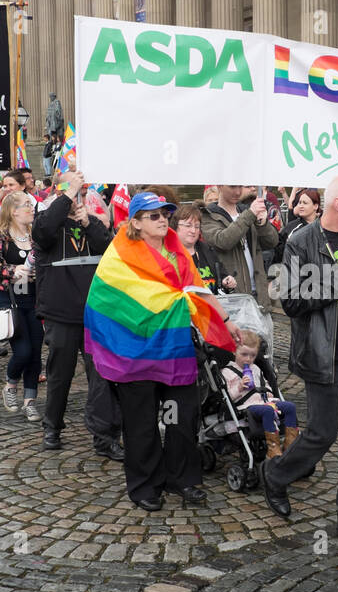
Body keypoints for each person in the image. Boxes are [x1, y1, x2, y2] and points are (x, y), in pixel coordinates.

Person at [86, 191, 238, 509]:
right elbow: (109, 301)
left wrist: (226, 321)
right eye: (153, 215)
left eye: (164, 214)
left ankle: (182, 479)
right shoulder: (119, 254)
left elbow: (195, 288)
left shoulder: (175, 248)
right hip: (135, 352)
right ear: (136, 222)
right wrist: (172, 301)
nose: (162, 219)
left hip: (175, 348)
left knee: (182, 419)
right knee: (141, 423)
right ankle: (145, 485)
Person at [261, 175, 338, 539]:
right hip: (323, 356)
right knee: (321, 434)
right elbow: (291, 301)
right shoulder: (301, 242)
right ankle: (275, 474)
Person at [33, 169, 123, 457]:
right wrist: (68, 193)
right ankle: (53, 426)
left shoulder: (91, 223)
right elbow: (43, 231)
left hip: (94, 314)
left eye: (82, 193)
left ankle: (104, 436)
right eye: (74, 193)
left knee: (101, 376)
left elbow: (109, 251)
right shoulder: (47, 221)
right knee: (60, 374)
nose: (77, 198)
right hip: (61, 313)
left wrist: (88, 221)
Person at [0, 190, 43, 420]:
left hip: (34, 297)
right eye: (27, 204)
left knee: (36, 352)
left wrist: (38, 272)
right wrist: (12, 270)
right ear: (14, 211)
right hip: (10, 298)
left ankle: (30, 401)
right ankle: (10, 384)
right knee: (23, 350)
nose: (32, 208)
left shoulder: (36, 235)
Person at [222, 329, 298, 459]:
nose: (248, 359)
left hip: (264, 402)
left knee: (290, 407)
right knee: (267, 410)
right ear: (234, 351)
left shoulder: (256, 369)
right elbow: (228, 397)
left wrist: (268, 392)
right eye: (244, 354)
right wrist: (239, 387)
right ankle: (273, 448)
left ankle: (290, 444)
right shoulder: (228, 372)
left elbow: (265, 384)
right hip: (246, 406)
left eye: (252, 356)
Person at [201, 185, 279, 306]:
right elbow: (224, 241)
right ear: (220, 186)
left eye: (240, 187)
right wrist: (250, 214)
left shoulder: (246, 211)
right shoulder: (209, 215)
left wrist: (262, 224)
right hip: (232, 296)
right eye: (232, 187)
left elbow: (272, 242)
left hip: (259, 292)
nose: (237, 192)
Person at [175, 202, 234, 293]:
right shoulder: (169, 254)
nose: (193, 230)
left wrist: (227, 282)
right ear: (176, 227)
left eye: (197, 226)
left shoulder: (208, 250)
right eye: (188, 225)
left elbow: (222, 277)